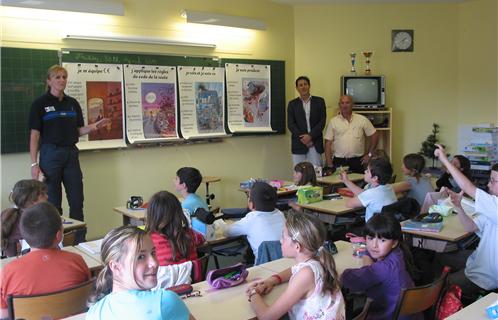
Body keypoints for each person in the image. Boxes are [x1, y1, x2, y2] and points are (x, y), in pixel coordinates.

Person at [28, 65, 110, 224]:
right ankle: (55, 244)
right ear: (49, 81)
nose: (62, 80)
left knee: (77, 201)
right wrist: (33, 163)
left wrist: (94, 127)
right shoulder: (39, 104)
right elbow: (35, 135)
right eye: (57, 77)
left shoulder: (72, 103)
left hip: (71, 154)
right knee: (53, 203)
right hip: (50, 154)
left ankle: (78, 242)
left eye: (64, 77)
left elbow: (77, 130)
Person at [246, 211, 345, 320]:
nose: (280, 240)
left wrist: (253, 293)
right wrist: (272, 280)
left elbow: (267, 317)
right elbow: (293, 270)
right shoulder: (317, 260)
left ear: (297, 247)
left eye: (283, 237)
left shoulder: (306, 274)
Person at [0, 202, 91, 318]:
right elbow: (87, 298)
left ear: (24, 237)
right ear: (59, 236)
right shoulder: (76, 261)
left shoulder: (8, 272)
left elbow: (4, 315)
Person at [433, 144, 498, 303]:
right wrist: (459, 207)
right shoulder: (493, 208)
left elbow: (468, 187)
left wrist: (444, 159)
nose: (489, 185)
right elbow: (471, 227)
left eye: (493, 181)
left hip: (485, 276)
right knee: (439, 256)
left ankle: (440, 300)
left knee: (438, 288)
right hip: (478, 261)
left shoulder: (495, 205)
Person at [86, 226, 195, 319]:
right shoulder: (164, 302)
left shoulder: (94, 312)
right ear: (116, 267)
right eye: (141, 257)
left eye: (153, 253)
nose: (154, 263)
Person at [341, 213, 420, 320]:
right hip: (407, 313)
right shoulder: (398, 253)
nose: (374, 245)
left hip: (389, 315)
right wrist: (367, 257)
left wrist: (365, 265)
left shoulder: (383, 268)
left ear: (394, 243)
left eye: (382, 240)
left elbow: (348, 280)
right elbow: (370, 252)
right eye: (370, 238)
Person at [224, 182, 285, 259]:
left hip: (263, 267)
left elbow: (227, 232)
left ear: (251, 204)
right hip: (286, 265)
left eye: (249, 197)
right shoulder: (280, 214)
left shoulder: (251, 219)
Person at [145, 191, 205, 266]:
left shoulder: (148, 240)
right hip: (189, 277)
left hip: (163, 277)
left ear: (151, 215)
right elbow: (202, 239)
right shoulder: (190, 234)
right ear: (179, 212)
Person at [324, 95, 379, 174]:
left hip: (358, 161)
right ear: (339, 105)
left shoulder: (362, 119)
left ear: (352, 104)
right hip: (339, 161)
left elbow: (375, 135)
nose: (345, 105)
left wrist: (369, 154)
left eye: (347, 103)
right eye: (342, 103)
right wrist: (329, 164)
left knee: (359, 184)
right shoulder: (333, 122)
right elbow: (327, 144)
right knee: (339, 185)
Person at [1, 179, 48, 257]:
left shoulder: (12, 215)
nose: (47, 196)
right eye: (43, 195)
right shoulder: (35, 221)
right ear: (32, 200)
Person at [287, 76, 326, 167]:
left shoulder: (319, 101)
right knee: (299, 173)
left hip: (314, 143)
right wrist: (304, 139)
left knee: (316, 173)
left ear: (309, 86)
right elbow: (291, 124)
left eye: (305, 84)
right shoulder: (292, 104)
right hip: (299, 143)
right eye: (300, 85)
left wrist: (310, 136)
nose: (303, 87)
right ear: (297, 88)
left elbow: (322, 121)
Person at [174, 167, 214, 240]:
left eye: (176, 179)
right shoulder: (198, 198)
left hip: (196, 242)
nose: (173, 180)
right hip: (206, 237)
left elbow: (180, 229)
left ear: (183, 185)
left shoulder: (186, 205)